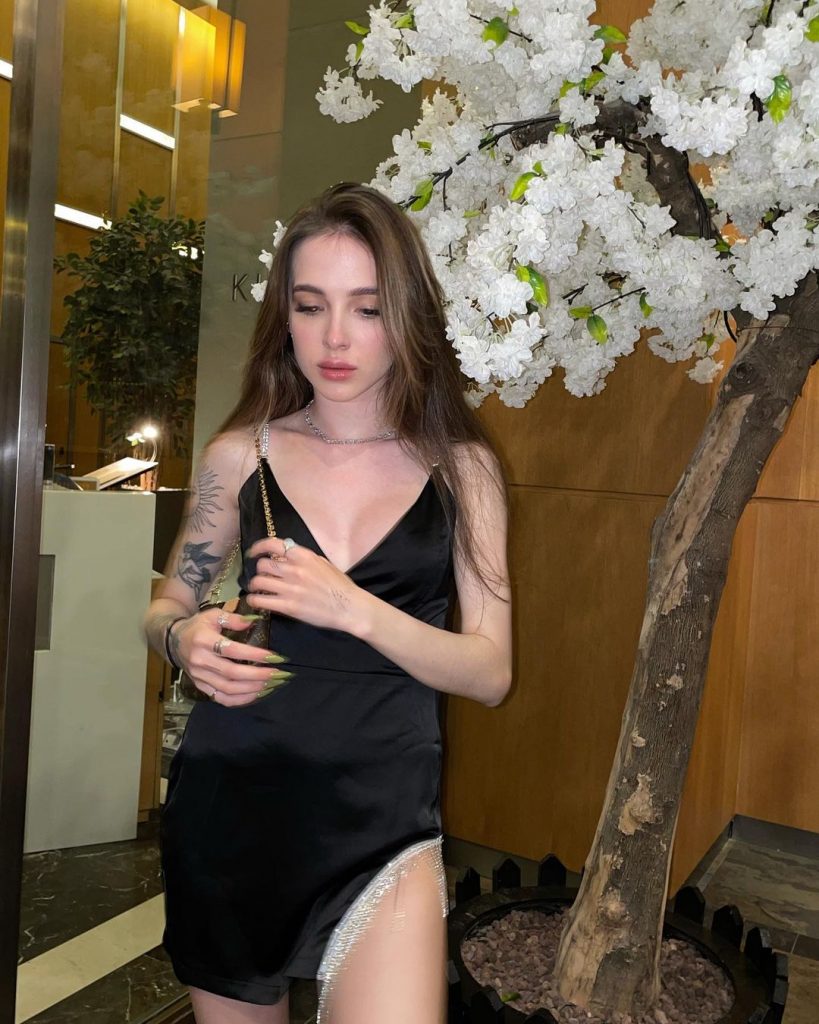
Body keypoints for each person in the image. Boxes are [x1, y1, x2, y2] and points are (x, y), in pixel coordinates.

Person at [143, 182, 512, 1024]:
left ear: (406, 316)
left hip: (384, 825)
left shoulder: (463, 470)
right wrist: (182, 638)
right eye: (310, 307)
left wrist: (354, 608)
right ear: (285, 317)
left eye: (366, 308)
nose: (334, 338)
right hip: (229, 810)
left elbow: (491, 673)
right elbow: (165, 606)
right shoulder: (239, 456)